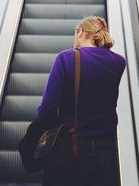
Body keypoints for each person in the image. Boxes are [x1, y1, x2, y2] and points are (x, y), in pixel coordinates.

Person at [36, 16, 126, 186]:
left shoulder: (65, 59)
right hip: (106, 147)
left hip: (70, 147)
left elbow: (48, 107)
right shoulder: (118, 62)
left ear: (81, 32)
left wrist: (47, 129)